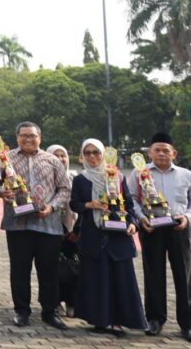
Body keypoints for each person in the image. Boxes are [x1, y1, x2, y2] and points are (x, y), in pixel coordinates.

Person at [0, 121, 71, 330]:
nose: (28, 139)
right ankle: (22, 311)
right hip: (18, 224)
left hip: (47, 224)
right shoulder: (6, 159)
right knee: (20, 270)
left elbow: (65, 188)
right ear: (17, 138)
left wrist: (52, 207)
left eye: (32, 136)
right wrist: (1, 192)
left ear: (39, 138)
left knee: (49, 271)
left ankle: (50, 312)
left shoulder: (52, 160)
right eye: (24, 135)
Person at [70, 138, 146, 337]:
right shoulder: (80, 179)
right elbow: (74, 204)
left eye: (96, 152)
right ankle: (100, 320)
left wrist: (132, 223)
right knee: (97, 279)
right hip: (93, 235)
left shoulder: (117, 177)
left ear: (103, 154)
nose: (92, 156)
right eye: (87, 153)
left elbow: (128, 204)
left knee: (120, 279)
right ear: (82, 156)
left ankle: (118, 322)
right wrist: (89, 205)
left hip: (117, 235)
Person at [128, 132, 191, 340]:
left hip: (178, 228)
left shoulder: (186, 174)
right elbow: (131, 198)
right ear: (150, 152)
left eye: (166, 150)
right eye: (157, 150)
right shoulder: (139, 173)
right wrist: (140, 218)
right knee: (153, 273)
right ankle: (155, 318)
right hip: (151, 228)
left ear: (174, 153)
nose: (162, 154)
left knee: (185, 275)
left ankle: (187, 323)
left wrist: (187, 218)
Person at [47, 144, 78, 317]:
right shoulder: (44, 178)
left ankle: (72, 302)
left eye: (63, 155)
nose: (60, 159)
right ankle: (55, 301)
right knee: (52, 267)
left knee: (73, 265)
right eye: (55, 155)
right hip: (49, 227)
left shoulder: (75, 177)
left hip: (72, 228)